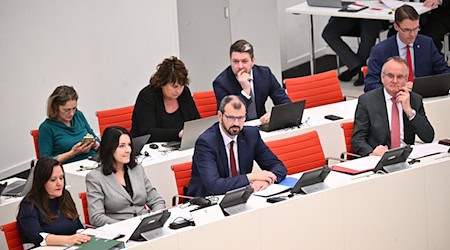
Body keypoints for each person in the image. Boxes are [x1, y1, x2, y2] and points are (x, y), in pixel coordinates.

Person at [187, 95, 287, 197]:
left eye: (240, 118)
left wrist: (266, 181)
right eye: (231, 118)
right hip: (208, 200)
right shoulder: (206, 142)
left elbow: (278, 167)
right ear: (220, 116)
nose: (236, 123)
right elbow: (214, 186)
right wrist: (251, 177)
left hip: (241, 196)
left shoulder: (251, 135)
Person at [352, 57, 434, 157]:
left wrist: (409, 111)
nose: (394, 81)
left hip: (407, 157)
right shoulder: (367, 101)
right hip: (379, 158)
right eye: (390, 76)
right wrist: (372, 152)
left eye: (399, 77)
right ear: (382, 77)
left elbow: (428, 137)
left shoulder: (414, 100)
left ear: (406, 79)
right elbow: (357, 140)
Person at [85, 126, 165, 227]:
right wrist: (126, 226)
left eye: (129, 145)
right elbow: (96, 217)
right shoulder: (95, 178)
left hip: (145, 226)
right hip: (120, 232)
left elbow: (157, 201)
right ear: (109, 148)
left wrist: (154, 218)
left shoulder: (137, 169)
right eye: (122, 146)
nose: (128, 150)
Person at [364, 4, 450, 92]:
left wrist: (422, 87)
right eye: (407, 30)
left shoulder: (427, 44)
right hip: (394, 98)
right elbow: (370, 85)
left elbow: (445, 72)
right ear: (396, 27)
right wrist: (397, 89)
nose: (413, 34)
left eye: (416, 28)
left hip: (422, 95)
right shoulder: (380, 50)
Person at [17, 158, 90, 249]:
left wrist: (84, 237)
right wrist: (69, 240)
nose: (59, 183)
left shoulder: (65, 195)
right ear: (41, 182)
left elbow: (78, 226)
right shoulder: (28, 205)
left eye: (61, 178)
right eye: (53, 180)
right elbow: (37, 237)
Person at [213, 39, 291, 125]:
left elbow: (284, 102)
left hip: (261, 124)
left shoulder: (265, 74)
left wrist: (274, 115)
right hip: (237, 129)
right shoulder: (221, 83)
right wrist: (246, 91)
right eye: (235, 61)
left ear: (253, 61)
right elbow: (228, 116)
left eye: (244, 61)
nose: (240, 66)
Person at [131, 56, 200, 142]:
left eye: (182, 86)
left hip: (180, 148)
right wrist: (178, 134)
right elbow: (147, 132)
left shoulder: (184, 93)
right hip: (151, 149)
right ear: (162, 82)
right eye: (174, 86)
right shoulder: (147, 96)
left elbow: (196, 122)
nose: (178, 91)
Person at [38, 85, 99, 163]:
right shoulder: (46, 128)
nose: (72, 113)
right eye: (67, 110)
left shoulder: (78, 115)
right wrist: (72, 153)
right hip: (71, 167)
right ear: (55, 107)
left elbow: (97, 140)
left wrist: (94, 145)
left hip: (92, 160)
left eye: (74, 108)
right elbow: (45, 163)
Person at [322, 17, 388, 86]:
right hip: (348, 15)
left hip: (372, 17)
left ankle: (354, 68)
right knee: (328, 33)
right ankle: (359, 68)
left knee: (368, 35)